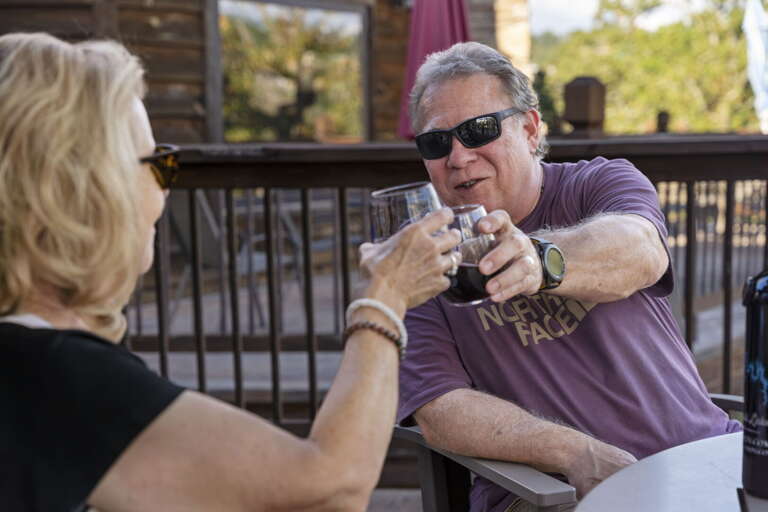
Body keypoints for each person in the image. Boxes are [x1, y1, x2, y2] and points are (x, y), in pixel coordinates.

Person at [0, 32, 461, 511]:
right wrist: (386, 296)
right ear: (85, 188)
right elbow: (329, 490)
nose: (165, 192)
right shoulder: (47, 372)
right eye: (159, 165)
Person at [398, 41, 742, 512]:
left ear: (531, 129)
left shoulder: (597, 184)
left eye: (479, 130)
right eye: (437, 142)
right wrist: (575, 452)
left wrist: (540, 258)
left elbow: (640, 251)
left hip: (701, 460)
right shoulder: (421, 254)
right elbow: (441, 408)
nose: (458, 157)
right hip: (549, 496)